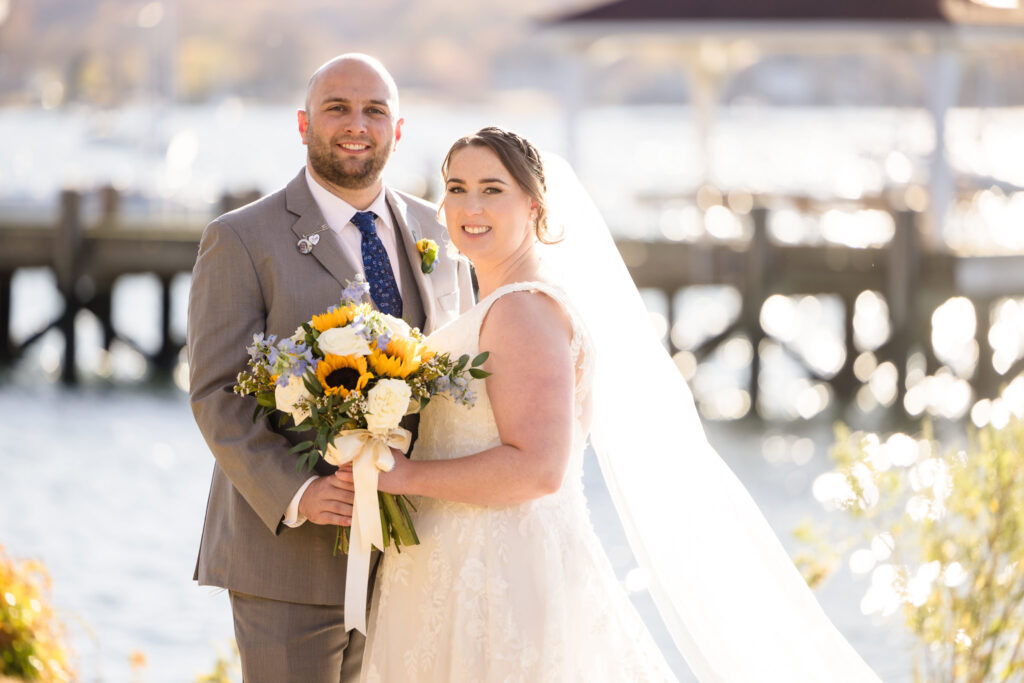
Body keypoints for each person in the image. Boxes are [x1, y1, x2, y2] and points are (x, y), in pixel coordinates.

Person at [358, 127, 884, 682]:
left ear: (534, 205)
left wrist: (404, 478)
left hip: (494, 576)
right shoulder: (497, 305)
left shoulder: (523, 313)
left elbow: (539, 469)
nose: (470, 205)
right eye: (457, 187)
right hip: (454, 565)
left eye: (493, 189)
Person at [187, 54, 473, 683]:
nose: (356, 124)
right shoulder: (241, 238)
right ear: (303, 122)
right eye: (337, 107)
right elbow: (215, 394)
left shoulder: (439, 231)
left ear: (398, 130)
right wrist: (302, 496)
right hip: (286, 557)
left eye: (375, 110)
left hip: (410, 554)